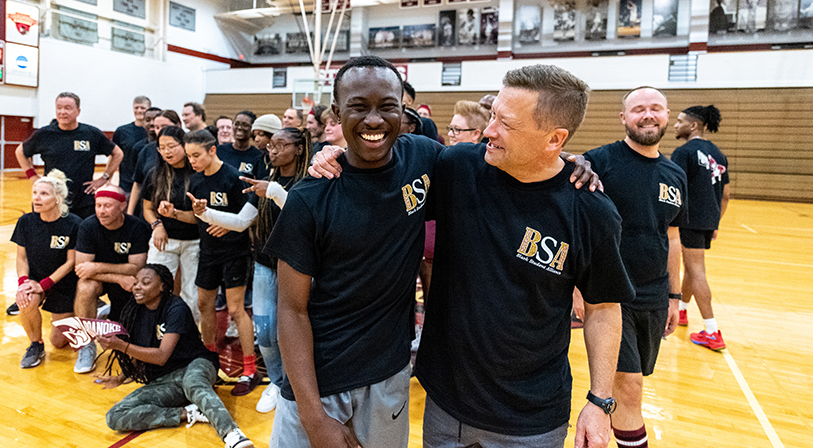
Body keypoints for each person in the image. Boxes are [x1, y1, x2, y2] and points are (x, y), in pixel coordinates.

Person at [309, 62, 619, 448]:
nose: (489, 130)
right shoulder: (457, 167)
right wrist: (333, 153)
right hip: (445, 405)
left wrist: (600, 401)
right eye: (492, 117)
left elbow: (604, 308)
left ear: (555, 139)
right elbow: (384, 160)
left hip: (530, 419)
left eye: (506, 124)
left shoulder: (591, 210)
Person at [264, 56, 444, 448]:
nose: (374, 120)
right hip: (318, 384)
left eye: (387, 106)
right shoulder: (309, 198)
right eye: (359, 107)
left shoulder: (424, 158)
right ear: (337, 113)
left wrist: (568, 162)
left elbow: (500, 168)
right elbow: (290, 311)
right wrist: (313, 418)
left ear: (403, 109)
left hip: (388, 375)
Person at [579, 86, 687, 448]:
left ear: (667, 116)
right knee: (629, 387)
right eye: (638, 109)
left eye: (655, 108)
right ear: (623, 118)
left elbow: (672, 238)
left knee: (633, 383)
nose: (647, 115)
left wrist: (674, 296)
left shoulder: (675, 174)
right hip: (611, 297)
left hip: (654, 296)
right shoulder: (599, 161)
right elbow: (576, 224)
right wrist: (578, 288)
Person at [196, 127, 314, 414]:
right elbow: (240, 221)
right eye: (270, 146)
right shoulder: (267, 181)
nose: (272, 151)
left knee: (295, 328)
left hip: (297, 266)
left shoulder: (310, 181)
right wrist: (204, 212)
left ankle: (297, 383)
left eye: (280, 146)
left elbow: (306, 215)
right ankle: (276, 381)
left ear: (298, 149)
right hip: (264, 262)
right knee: (265, 329)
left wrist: (273, 192)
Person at [97, 264, 254, 448]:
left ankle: (232, 435)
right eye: (136, 282)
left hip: (196, 364)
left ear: (162, 286)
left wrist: (121, 346)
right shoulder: (133, 311)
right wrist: (122, 376)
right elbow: (138, 351)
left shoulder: (175, 307)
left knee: (193, 383)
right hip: (165, 379)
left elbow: (162, 355)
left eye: (146, 282)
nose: (137, 287)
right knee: (115, 416)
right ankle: (188, 412)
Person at [184, 129, 261, 397]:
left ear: (212, 150)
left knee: (236, 309)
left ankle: (250, 369)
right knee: (204, 303)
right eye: (189, 156)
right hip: (208, 252)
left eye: (196, 155)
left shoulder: (233, 177)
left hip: (235, 252)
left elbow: (246, 217)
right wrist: (201, 215)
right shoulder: (194, 181)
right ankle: (209, 359)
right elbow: (199, 218)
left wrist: (226, 225)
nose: (192, 160)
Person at [73, 185, 151, 374]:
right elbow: (82, 270)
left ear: (122, 206)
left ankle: (107, 313)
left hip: (129, 283)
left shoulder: (138, 227)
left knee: (125, 337)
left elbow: (136, 267)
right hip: (111, 280)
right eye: (98, 205)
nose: (101, 211)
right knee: (85, 287)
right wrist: (116, 277)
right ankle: (86, 345)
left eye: (107, 206)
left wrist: (97, 266)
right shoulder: (88, 226)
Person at [671, 105, 730, 350]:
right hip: (707, 221)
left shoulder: (684, 153)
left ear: (693, 125)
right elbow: (726, 195)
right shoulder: (718, 154)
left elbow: (675, 189)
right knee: (692, 267)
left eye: (680, 120)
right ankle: (683, 311)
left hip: (688, 220)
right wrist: (715, 223)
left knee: (696, 271)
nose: (675, 125)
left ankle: (712, 331)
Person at [16, 92, 123, 221]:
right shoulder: (44, 134)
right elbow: (20, 152)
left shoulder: (91, 134)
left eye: (68, 108)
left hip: (83, 201)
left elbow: (117, 153)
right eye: (59, 107)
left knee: (81, 238)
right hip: (52, 200)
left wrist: (104, 178)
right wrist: (33, 177)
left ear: (78, 111)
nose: (62, 112)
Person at [12, 169, 81, 368]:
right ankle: (35, 344)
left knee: (59, 342)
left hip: (62, 284)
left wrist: (45, 284)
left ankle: (79, 313)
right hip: (35, 280)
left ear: (59, 198)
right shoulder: (25, 222)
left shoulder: (74, 224)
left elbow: (71, 263)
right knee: (26, 299)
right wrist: (24, 282)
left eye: (43, 194)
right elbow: (21, 258)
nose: (36, 198)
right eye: (35, 193)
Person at [141, 126, 201, 321]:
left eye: (172, 146)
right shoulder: (155, 173)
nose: (167, 151)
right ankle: (155, 330)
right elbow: (148, 209)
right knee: (154, 285)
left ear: (184, 145)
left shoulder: (197, 173)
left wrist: (174, 213)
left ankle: (189, 334)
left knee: (192, 293)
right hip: (164, 239)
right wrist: (157, 225)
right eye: (162, 147)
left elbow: (198, 217)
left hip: (194, 241)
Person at [128, 110, 181, 216]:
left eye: (164, 126)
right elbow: (138, 183)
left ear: (178, 126)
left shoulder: (188, 148)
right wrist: (130, 213)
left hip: (179, 211)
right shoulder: (146, 150)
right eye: (157, 127)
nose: (160, 130)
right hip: (150, 212)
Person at [113, 96, 151, 193]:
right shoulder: (122, 131)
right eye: (136, 108)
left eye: (142, 108)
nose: (139, 111)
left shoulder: (154, 132)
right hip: (126, 185)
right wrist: (108, 179)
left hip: (149, 185)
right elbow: (114, 155)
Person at [217, 111, 267, 180]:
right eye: (236, 124)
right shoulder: (220, 150)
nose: (239, 127)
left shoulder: (258, 156)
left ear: (252, 129)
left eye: (245, 125)